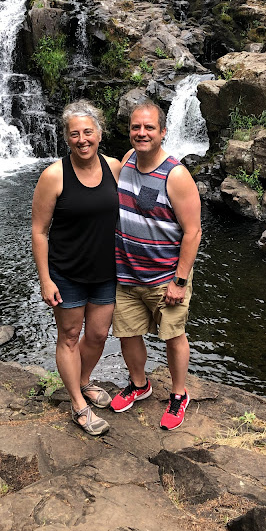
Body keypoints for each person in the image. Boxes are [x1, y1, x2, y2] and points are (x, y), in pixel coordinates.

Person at [110, 101, 202, 430]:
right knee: (128, 334)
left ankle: (178, 394)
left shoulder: (176, 175)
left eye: (149, 127)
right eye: (136, 127)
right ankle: (139, 384)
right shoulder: (127, 160)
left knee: (174, 336)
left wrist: (180, 281)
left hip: (165, 277)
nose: (142, 133)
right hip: (126, 273)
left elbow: (193, 232)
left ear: (163, 132)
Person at [32, 100, 121, 436]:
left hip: (105, 272)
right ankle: (78, 405)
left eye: (88, 132)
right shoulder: (54, 175)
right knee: (69, 337)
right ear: (66, 138)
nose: (82, 139)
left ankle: (83, 381)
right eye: (74, 134)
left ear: (99, 133)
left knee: (97, 335)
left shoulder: (114, 167)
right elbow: (39, 231)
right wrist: (45, 279)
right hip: (66, 273)